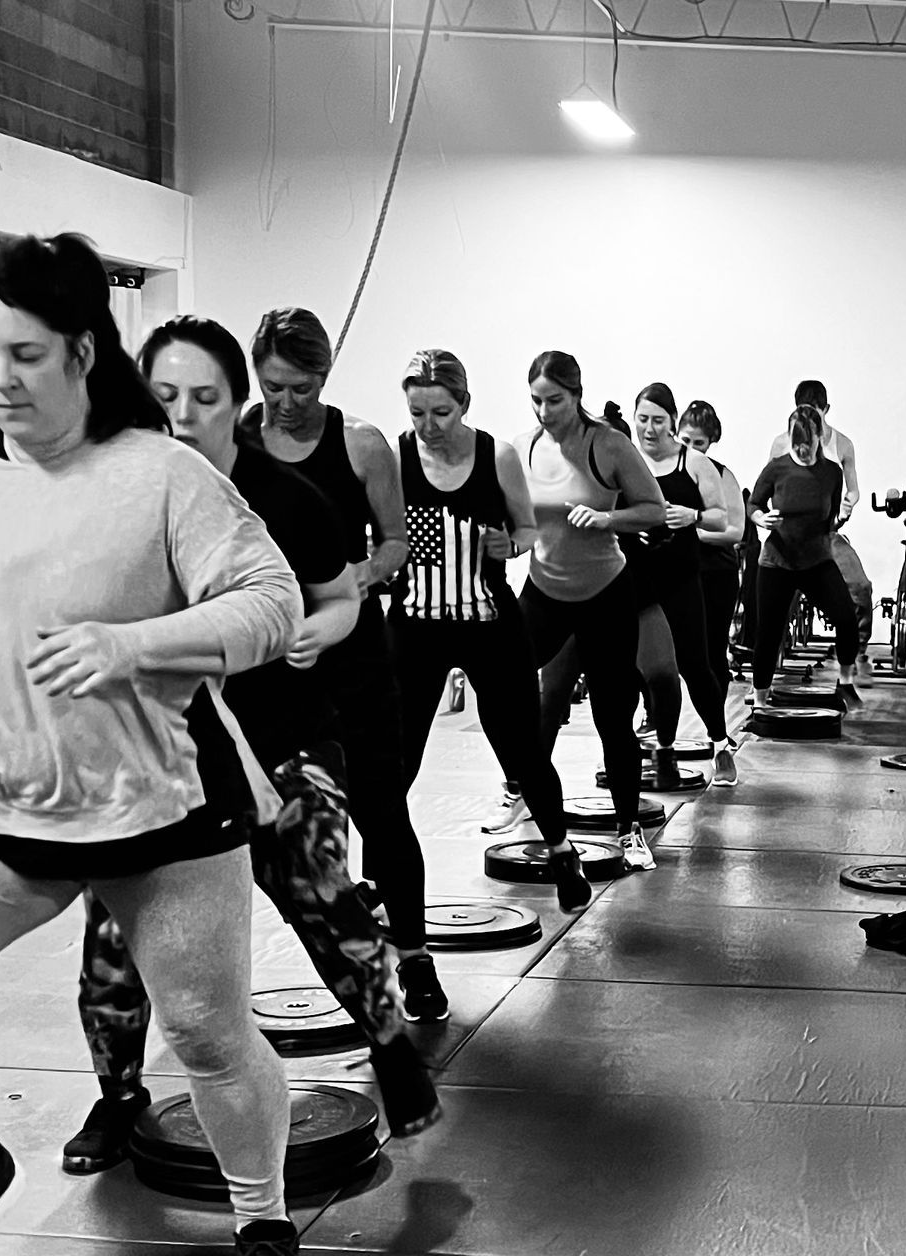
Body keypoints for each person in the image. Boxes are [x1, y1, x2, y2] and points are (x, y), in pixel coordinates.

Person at [0, 235, 304, 1256]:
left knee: (206, 1033)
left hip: (166, 810)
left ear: (83, 352)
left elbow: (270, 602)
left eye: (26, 355)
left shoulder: (159, 474)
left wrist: (134, 645)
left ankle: (265, 1227)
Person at [65, 318, 443, 1183]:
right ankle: (118, 1094)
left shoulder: (286, 497)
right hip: (164, 752)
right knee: (111, 936)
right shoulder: (120, 495)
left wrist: (314, 629)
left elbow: (342, 596)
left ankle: (389, 1044)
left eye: (205, 399)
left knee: (314, 880)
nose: (185, 416)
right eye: (166, 398)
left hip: (285, 741)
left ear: (235, 406)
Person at [241, 309, 447, 1024]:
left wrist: (357, 578)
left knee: (382, 812)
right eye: (272, 386)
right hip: (267, 661)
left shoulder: (360, 445)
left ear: (324, 378)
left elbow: (396, 542)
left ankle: (415, 958)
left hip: (356, 656)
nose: (284, 403)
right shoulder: (236, 438)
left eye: (300, 388)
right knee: (252, 830)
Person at [389, 348, 599, 903]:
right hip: (417, 622)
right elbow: (382, 537)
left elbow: (528, 530)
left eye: (441, 413)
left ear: (464, 405)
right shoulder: (396, 457)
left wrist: (510, 544)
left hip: (487, 619)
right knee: (398, 757)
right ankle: (381, 877)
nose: (429, 426)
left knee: (521, 746)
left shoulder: (497, 455)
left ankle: (560, 852)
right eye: (417, 413)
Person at [517, 351, 665, 872]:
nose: (543, 411)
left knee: (612, 716)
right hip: (543, 591)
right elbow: (520, 524)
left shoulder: (608, 445)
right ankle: (522, 794)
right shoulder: (526, 447)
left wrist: (608, 518)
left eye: (554, 400)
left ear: (576, 396)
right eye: (535, 400)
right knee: (515, 692)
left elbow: (655, 511)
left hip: (606, 593)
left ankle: (629, 830)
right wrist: (509, 543)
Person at [633, 384, 739, 785]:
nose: (649, 429)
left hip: (681, 578)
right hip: (640, 580)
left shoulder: (693, 463)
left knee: (695, 665)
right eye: (642, 419)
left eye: (658, 421)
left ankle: (721, 745)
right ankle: (650, 747)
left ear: (672, 423)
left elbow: (721, 519)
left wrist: (691, 515)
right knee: (635, 669)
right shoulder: (629, 459)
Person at [749, 408, 861, 707]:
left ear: (818, 439)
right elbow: (754, 504)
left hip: (816, 560)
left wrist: (839, 521)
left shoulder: (832, 473)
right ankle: (760, 698)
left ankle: (847, 681)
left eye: (808, 444)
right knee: (769, 632)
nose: (803, 450)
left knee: (846, 618)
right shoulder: (776, 469)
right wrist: (762, 519)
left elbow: (832, 516)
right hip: (777, 561)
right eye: (797, 444)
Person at [769, 380, 873, 681]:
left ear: (826, 410)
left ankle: (853, 657)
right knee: (775, 597)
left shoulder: (842, 445)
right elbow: (770, 488)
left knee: (860, 588)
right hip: (790, 540)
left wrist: (845, 509)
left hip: (827, 536)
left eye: (816, 413)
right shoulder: (781, 443)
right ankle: (770, 662)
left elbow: (853, 491)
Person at [678, 399, 749, 702]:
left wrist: (694, 532)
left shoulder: (722, 475)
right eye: (685, 441)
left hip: (715, 573)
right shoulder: (665, 473)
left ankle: (716, 721)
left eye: (700, 443)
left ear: (711, 442)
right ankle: (653, 715)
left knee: (712, 649)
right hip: (678, 571)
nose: (692, 449)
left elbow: (735, 531)